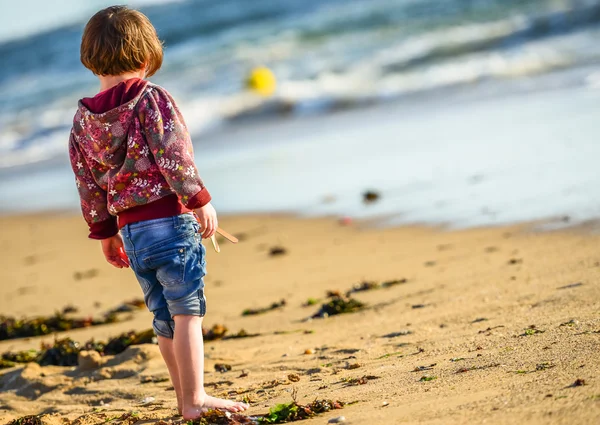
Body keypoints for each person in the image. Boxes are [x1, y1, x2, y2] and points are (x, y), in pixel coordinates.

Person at [68, 6, 248, 419]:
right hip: (169, 222)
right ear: (146, 58)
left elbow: (87, 181)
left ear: (91, 60)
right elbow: (174, 155)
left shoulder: (83, 120)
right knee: (187, 311)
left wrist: (105, 232)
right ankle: (196, 398)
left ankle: (185, 400)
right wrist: (200, 199)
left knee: (164, 318)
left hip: (131, 232)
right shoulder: (151, 99)